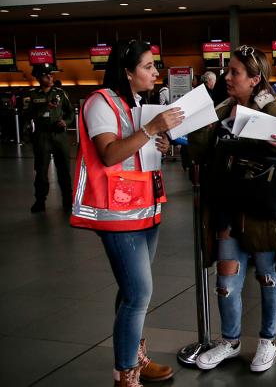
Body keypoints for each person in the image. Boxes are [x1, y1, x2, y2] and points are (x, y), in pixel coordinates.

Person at [70, 40, 184, 387]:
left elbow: (136, 150)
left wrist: (159, 144)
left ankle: (132, 356)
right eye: (149, 66)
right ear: (127, 71)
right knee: (138, 294)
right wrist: (149, 129)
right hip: (118, 214)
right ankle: (126, 373)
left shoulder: (135, 103)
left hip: (145, 208)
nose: (155, 72)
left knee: (131, 290)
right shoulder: (99, 103)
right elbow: (109, 154)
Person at [190, 46, 276, 374]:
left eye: (235, 73)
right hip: (228, 211)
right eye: (228, 71)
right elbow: (201, 152)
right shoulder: (223, 109)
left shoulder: (273, 109)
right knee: (226, 281)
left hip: (264, 212)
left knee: (268, 277)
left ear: (255, 79)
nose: (227, 77)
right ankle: (229, 341)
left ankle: (267, 340)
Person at [27, 65, 73, 213]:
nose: (50, 78)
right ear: (39, 78)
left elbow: (70, 112)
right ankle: (40, 201)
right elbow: (26, 115)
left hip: (59, 135)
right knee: (41, 170)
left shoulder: (60, 93)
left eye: (51, 75)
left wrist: (66, 122)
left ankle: (68, 199)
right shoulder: (32, 95)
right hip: (42, 136)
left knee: (64, 169)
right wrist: (44, 107)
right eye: (46, 76)